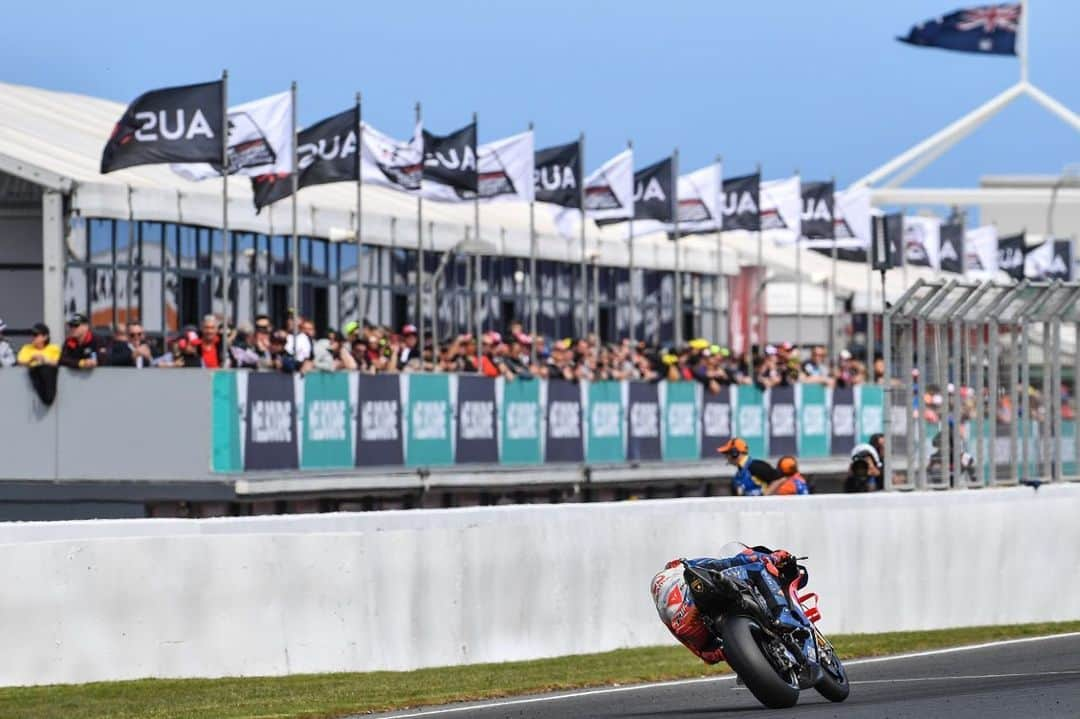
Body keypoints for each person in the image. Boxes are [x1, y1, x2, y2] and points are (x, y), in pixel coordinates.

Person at [651, 544, 808, 666]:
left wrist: (729, 652)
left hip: (699, 628)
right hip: (707, 609)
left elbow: (700, 651)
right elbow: (730, 562)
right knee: (757, 568)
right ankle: (782, 613)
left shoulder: (667, 614)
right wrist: (774, 557)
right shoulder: (684, 567)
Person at [717, 437, 783, 496]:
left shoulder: (757, 466)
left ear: (734, 453)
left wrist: (764, 497)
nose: (726, 457)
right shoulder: (738, 475)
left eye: (727, 453)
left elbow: (779, 480)